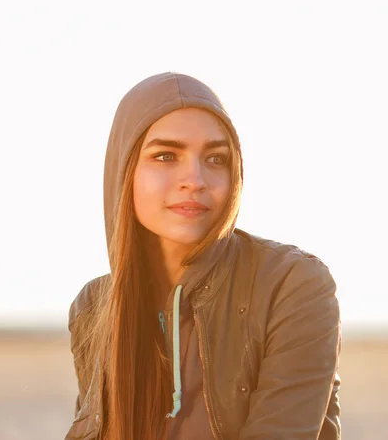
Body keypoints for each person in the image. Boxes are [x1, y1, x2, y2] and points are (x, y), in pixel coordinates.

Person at [65, 72, 341, 440]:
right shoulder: (94, 306)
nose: (194, 178)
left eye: (215, 159)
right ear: (123, 170)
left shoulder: (292, 285)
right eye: (166, 156)